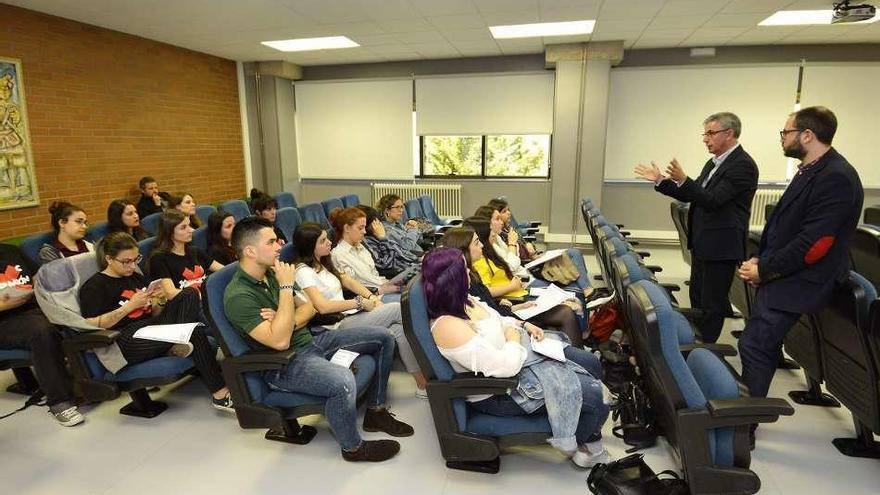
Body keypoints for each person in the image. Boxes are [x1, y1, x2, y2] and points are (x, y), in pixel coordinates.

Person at [223, 217, 413, 462]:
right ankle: (353, 448)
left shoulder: (271, 273)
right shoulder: (240, 295)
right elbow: (279, 343)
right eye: (271, 241)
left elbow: (310, 308)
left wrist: (283, 320)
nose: (279, 245)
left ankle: (375, 411)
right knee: (342, 381)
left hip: (311, 341)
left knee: (384, 337)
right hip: (284, 363)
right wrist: (285, 293)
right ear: (250, 251)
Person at [423, 247, 610, 468]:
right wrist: (512, 338)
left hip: (519, 357)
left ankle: (587, 434)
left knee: (591, 364)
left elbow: (500, 319)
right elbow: (504, 368)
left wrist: (519, 326)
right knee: (599, 397)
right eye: (464, 269)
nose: (469, 273)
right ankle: (587, 448)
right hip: (501, 391)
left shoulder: (465, 300)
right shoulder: (448, 326)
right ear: (453, 279)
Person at [737, 106, 862, 402]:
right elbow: (785, 226)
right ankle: (744, 416)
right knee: (756, 344)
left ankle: (744, 426)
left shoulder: (836, 176)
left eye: (786, 132)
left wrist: (765, 269)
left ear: (807, 135)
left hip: (801, 280)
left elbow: (814, 244)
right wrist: (761, 259)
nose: (782, 138)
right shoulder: (812, 169)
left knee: (755, 345)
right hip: (786, 273)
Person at [634, 112, 758, 344]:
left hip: (721, 246)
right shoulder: (713, 163)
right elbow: (691, 195)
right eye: (705, 134)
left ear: (729, 134)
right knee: (698, 298)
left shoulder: (742, 165)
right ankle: (696, 340)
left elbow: (712, 200)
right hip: (703, 243)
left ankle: (706, 347)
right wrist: (661, 180)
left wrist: (685, 178)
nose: (705, 139)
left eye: (711, 133)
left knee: (712, 303)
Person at [79, 231, 233, 411]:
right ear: (109, 259)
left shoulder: (134, 276)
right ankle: (220, 395)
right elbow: (88, 324)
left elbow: (152, 313)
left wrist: (158, 301)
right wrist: (128, 307)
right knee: (195, 332)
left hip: (150, 327)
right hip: (124, 339)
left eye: (135, 259)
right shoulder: (95, 286)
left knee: (189, 294)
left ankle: (175, 343)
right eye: (126, 261)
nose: (132, 266)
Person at [293, 221, 427, 395]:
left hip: (349, 316)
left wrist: (371, 296)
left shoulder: (323, 264)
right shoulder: (303, 272)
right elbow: (322, 307)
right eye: (322, 241)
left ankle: (422, 383)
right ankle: (435, 357)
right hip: (333, 327)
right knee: (397, 308)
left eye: (327, 238)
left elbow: (348, 281)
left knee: (398, 329)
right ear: (310, 246)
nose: (329, 242)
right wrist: (359, 302)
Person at [440, 227, 587, 348]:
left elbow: (488, 305)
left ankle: (578, 352)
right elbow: (490, 314)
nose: (482, 246)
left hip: (508, 313)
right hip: (507, 323)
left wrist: (518, 306)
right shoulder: (462, 280)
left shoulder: (470, 272)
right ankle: (578, 356)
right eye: (477, 243)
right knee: (565, 312)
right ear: (464, 249)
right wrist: (514, 308)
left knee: (566, 308)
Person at [0, 243, 84, 426]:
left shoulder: (11, 250)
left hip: (31, 306)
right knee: (41, 332)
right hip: (5, 319)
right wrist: (4, 305)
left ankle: (91, 380)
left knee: (75, 311)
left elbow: (35, 274)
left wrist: (35, 286)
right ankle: (60, 402)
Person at [474, 204, 592, 294]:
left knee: (573, 257)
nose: (502, 222)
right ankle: (588, 293)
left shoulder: (498, 238)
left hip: (527, 270)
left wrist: (524, 248)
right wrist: (512, 244)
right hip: (524, 279)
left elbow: (516, 260)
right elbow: (512, 266)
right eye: (498, 219)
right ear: (487, 223)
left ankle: (589, 292)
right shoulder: (487, 246)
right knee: (576, 288)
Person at [148, 210, 223, 301]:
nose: (191, 230)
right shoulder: (159, 259)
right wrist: (204, 296)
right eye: (183, 227)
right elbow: (170, 293)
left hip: (207, 300)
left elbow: (223, 270)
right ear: (169, 232)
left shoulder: (195, 251)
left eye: (189, 225)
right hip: (186, 306)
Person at [329, 207, 402, 299]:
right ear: (347, 228)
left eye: (364, 227)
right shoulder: (338, 255)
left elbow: (374, 275)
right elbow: (350, 288)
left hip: (383, 287)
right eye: (360, 228)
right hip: (373, 296)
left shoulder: (361, 247)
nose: (364, 231)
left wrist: (389, 283)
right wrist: (378, 291)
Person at [357, 205, 420, 278]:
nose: (380, 225)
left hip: (411, 264)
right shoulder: (368, 242)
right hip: (400, 272)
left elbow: (400, 251)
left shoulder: (377, 236)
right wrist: (383, 238)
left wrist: (418, 259)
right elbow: (385, 264)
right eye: (377, 222)